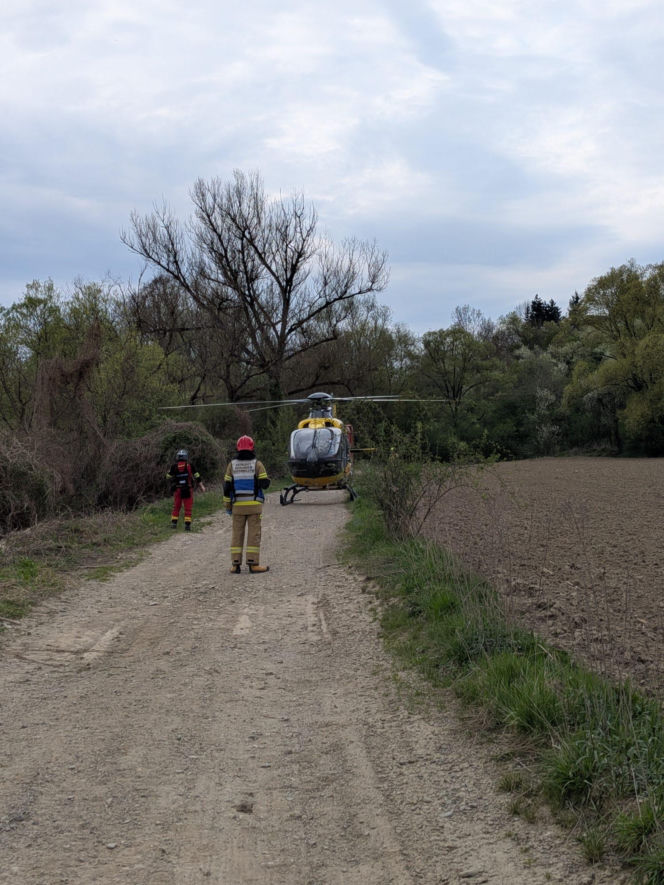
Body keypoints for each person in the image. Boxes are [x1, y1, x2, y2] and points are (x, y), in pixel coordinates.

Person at [223, 435, 270, 573]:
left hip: (237, 507)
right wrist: (267, 481)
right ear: (252, 448)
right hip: (254, 507)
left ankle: (235, 565)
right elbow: (264, 484)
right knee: (254, 534)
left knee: (237, 534)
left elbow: (226, 488)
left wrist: (228, 506)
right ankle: (253, 564)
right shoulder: (257, 464)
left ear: (237, 449)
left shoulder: (231, 465)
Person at [166, 448, 206, 531]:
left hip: (177, 489)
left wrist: (168, 472)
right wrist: (202, 486)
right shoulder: (190, 465)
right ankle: (187, 526)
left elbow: (168, 477)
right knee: (188, 508)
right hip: (188, 489)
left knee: (176, 507)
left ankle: (174, 524)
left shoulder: (174, 466)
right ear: (186, 457)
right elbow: (197, 476)